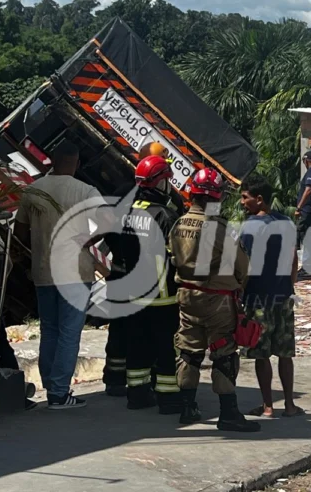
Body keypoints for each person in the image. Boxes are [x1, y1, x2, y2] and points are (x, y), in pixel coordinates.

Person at [169, 168, 260, 432]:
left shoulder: (179, 224)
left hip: (186, 297)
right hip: (218, 300)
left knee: (189, 351)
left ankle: (187, 408)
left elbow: (172, 258)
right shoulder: (221, 228)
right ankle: (229, 414)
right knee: (224, 353)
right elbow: (244, 268)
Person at [15, 142, 101, 409]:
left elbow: (19, 233)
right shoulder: (86, 191)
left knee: (49, 329)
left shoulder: (34, 191)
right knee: (69, 332)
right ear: (75, 162)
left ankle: (52, 387)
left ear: (51, 160)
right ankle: (60, 393)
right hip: (76, 273)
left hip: (44, 271)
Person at [102, 156, 182, 413]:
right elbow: (177, 258)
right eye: (168, 179)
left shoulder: (127, 213)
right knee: (165, 346)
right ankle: (168, 399)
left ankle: (136, 395)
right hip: (162, 295)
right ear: (160, 183)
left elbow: (121, 250)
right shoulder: (165, 215)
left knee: (136, 342)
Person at [238, 173, 303, 418]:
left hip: (258, 300)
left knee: (261, 354)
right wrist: (288, 287)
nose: (243, 203)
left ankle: (267, 407)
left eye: (246, 198)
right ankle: (289, 405)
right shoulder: (286, 223)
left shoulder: (248, 227)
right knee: (285, 353)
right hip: (284, 297)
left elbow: (242, 266)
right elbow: (294, 260)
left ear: (259, 199)